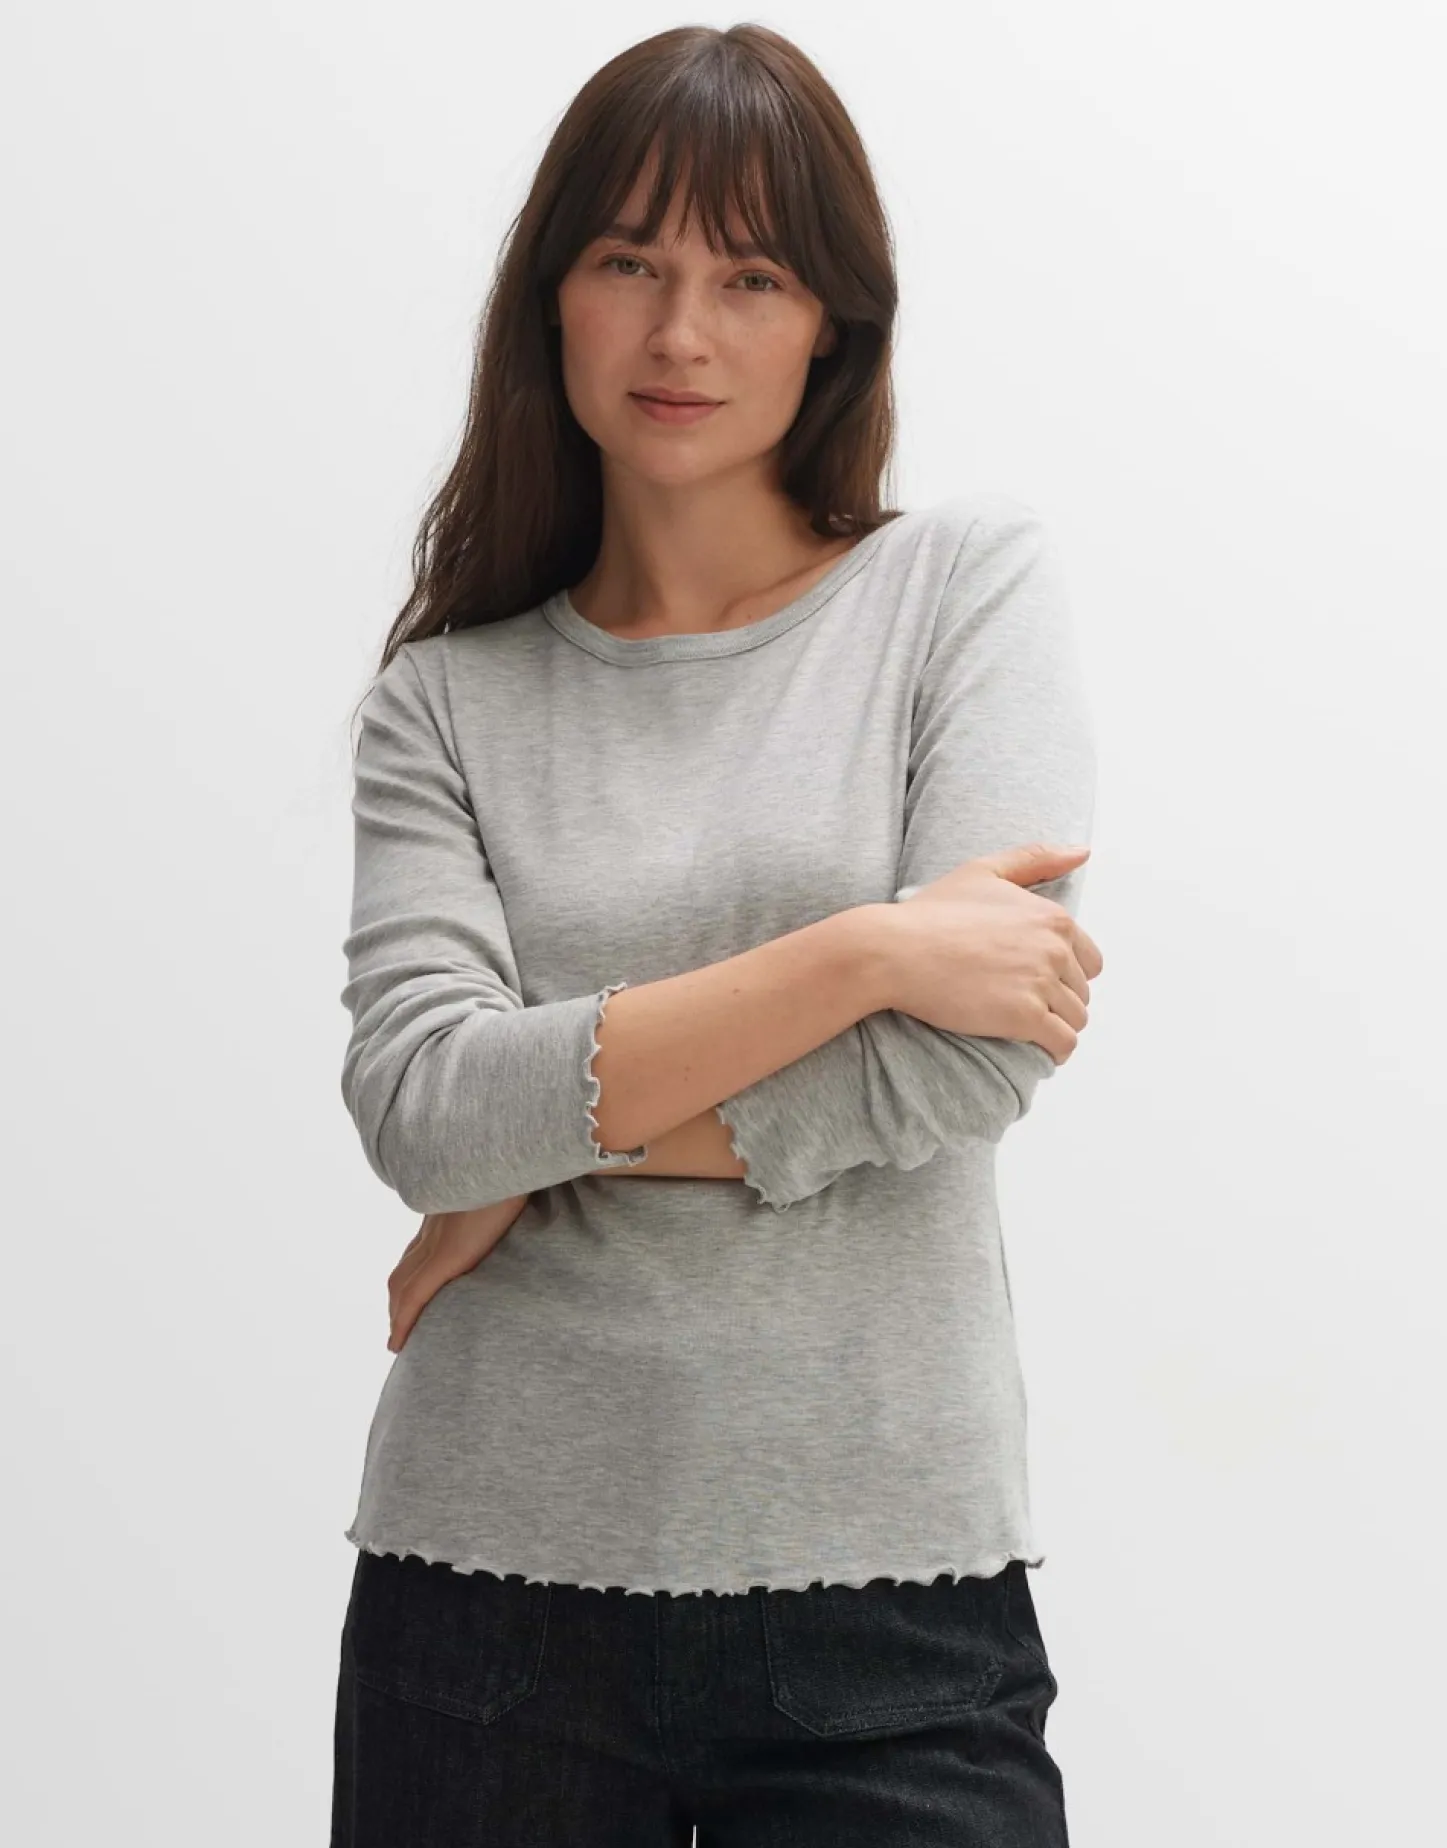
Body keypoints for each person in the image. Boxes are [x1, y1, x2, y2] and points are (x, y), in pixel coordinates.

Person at [330, 21, 1102, 1847]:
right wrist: (859, 955)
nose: (681, 332)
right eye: (630, 264)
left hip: (891, 1589)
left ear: (830, 320)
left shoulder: (954, 591)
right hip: (488, 1587)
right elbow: (421, 1112)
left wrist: (543, 1150)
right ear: (553, 296)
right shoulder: (443, 702)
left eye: (749, 276)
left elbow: (975, 1055)